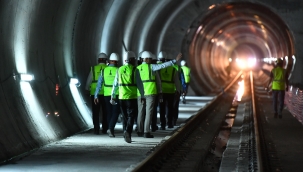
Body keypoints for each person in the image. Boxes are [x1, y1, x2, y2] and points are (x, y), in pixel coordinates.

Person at [137, 51, 182, 138]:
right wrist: (174, 61)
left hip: (140, 94)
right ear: (147, 59)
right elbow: (163, 65)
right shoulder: (152, 67)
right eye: (150, 59)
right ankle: (146, 132)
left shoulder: (137, 68)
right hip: (150, 92)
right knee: (149, 113)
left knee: (140, 112)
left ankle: (139, 131)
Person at [110, 51, 142, 143]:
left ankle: (125, 134)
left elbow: (115, 84)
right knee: (131, 116)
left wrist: (113, 95)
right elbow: (140, 85)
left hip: (121, 97)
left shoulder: (119, 69)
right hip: (132, 97)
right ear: (131, 59)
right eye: (134, 59)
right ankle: (128, 132)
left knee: (124, 117)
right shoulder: (135, 70)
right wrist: (142, 96)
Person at [94, 53, 120, 137]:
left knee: (108, 112)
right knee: (115, 112)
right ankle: (111, 128)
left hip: (106, 94)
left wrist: (96, 95)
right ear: (117, 62)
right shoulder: (118, 70)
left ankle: (109, 128)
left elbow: (99, 84)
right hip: (116, 94)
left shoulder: (103, 71)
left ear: (109, 61)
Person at [85, 53, 108, 135]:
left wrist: (87, 89)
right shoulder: (107, 68)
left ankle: (96, 129)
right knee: (105, 111)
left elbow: (89, 80)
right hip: (105, 93)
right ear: (106, 60)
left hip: (95, 93)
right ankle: (105, 128)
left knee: (95, 111)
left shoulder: (94, 68)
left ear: (98, 60)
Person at [158, 51, 181, 129]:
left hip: (162, 92)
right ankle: (169, 123)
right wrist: (178, 91)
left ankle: (162, 124)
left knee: (162, 108)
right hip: (171, 91)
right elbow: (177, 81)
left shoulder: (160, 68)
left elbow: (158, 80)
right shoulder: (173, 69)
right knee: (170, 108)